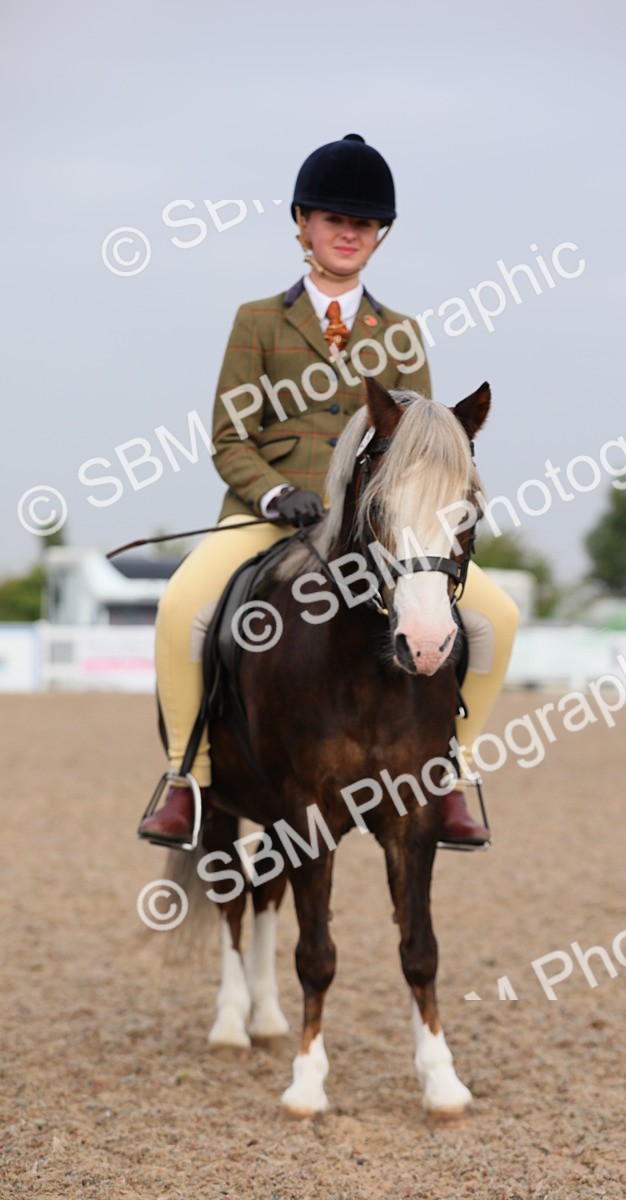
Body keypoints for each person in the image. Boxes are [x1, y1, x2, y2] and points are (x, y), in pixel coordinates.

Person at [139, 133, 519, 849]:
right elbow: (229, 437)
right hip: (271, 516)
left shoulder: (401, 333)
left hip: (372, 530)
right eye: (334, 219)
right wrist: (276, 494)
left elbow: (426, 446)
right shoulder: (258, 321)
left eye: (364, 224)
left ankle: (454, 777)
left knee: (496, 617)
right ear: (303, 224)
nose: (349, 234)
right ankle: (185, 779)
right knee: (182, 607)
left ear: (380, 236)